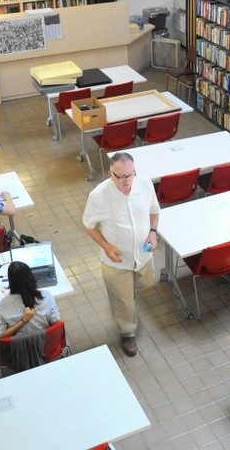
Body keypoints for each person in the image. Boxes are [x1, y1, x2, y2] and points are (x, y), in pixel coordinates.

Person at [82, 152, 160, 357]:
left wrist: (153, 232)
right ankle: (128, 333)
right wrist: (106, 247)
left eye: (130, 175)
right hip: (116, 261)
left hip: (143, 255)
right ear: (110, 175)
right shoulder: (98, 196)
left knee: (148, 282)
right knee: (123, 302)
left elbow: (154, 210)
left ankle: (127, 294)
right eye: (121, 177)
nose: (127, 181)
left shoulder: (144, 184)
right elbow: (88, 226)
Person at [0, 261, 61, 339]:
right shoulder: (46, 295)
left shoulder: (4, 303)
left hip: (20, 349)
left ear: (10, 281)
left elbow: (0, 334)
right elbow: (56, 322)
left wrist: (23, 320)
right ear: (31, 277)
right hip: (46, 344)